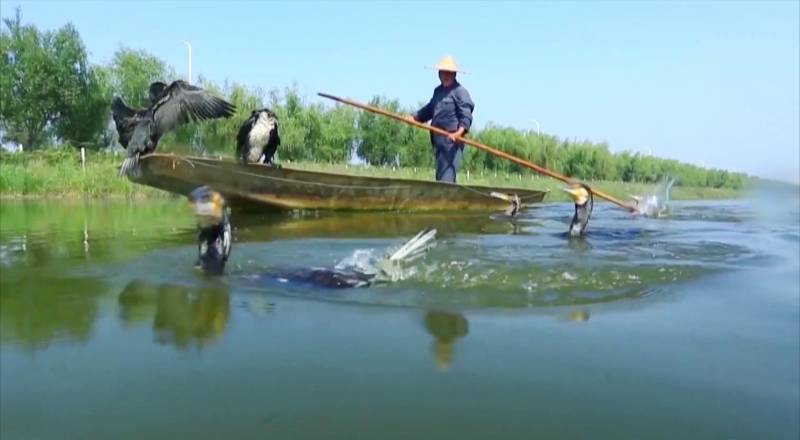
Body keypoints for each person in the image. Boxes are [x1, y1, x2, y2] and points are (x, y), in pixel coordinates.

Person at [407, 55, 475, 183]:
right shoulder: (438, 92)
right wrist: (414, 117)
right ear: (439, 74)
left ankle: (447, 201)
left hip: (451, 143)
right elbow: (429, 110)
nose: (446, 75)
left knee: (446, 179)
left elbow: (466, 117)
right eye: (443, 72)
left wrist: (457, 134)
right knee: (440, 177)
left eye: (449, 73)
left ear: (454, 74)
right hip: (438, 141)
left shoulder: (460, 92)